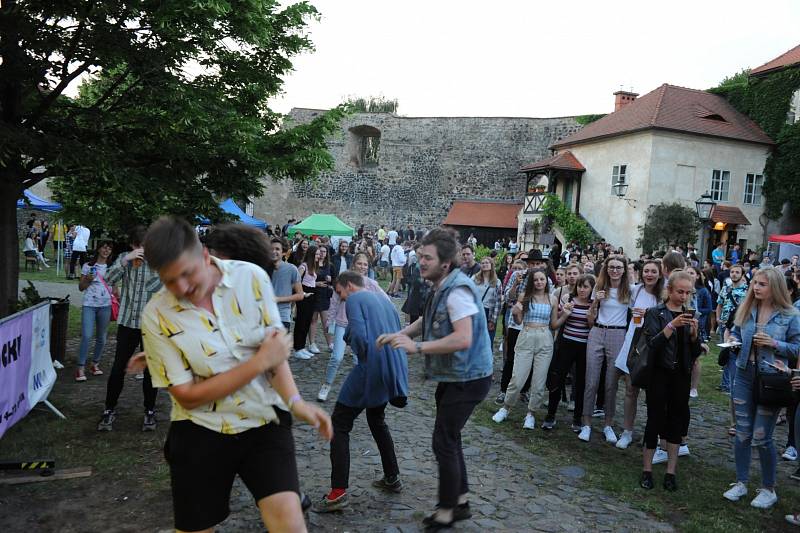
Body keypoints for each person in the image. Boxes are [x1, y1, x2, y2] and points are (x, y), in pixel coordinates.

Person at [139, 217, 331, 533]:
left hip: (263, 420)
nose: (182, 288)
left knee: (290, 524)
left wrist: (296, 402)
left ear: (204, 255)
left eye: (187, 274)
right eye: (170, 281)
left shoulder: (251, 278)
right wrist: (257, 364)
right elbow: (186, 396)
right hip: (200, 430)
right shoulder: (157, 315)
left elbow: (274, 355)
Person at [377, 227, 492, 531]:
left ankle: (446, 510)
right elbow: (426, 319)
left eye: (427, 257)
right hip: (456, 376)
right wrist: (399, 335)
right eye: (419, 256)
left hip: (469, 377)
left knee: (443, 441)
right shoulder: (441, 285)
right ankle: (461, 500)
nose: (421, 262)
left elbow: (463, 338)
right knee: (449, 438)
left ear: (445, 263)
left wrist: (417, 347)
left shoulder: (457, 291)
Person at [315, 271, 408, 512]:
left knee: (339, 424)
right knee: (377, 420)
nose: (341, 297)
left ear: (349, 286)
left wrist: (352, 342)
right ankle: (392, 477)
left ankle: (337, 493)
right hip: (389, 368)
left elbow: (358, 335)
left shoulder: (355, 299)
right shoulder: (384, 301)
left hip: (370, 368)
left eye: (340, 292)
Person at [722, 267, 800, 509]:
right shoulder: (748, 308)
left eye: (762, 284)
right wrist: (734, 340)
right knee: (742, 433)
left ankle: (769, 488)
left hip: (772, 379)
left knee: (761, 436)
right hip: (745, 374)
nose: (756, 287)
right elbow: (734, 331)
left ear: (774, 287)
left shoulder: (790, 314)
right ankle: (741, 482)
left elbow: (797, 348)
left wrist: (774, 343)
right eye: (755, 283)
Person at [639, 270, 703, 491]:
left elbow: (695, 353)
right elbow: (652, 344)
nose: (683, 296)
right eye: (680, 292)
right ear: (669, 290)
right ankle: (647, 469)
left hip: (681, 375)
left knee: (676, 421)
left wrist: (695, 336)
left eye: (688, 292)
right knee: (654, 420)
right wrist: (671, 326)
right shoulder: (656, 313)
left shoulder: (691, 315)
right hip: (658, 373)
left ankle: (670, 472)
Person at [97, 226, 162, 432]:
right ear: (133, 245)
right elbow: (107, 279)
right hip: (127, 322)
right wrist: (125, 261)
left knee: (151, 371)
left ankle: (149, 411)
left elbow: (159, 287)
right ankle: (109, 409)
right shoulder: (125, 258)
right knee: (118, 367)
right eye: (140, 246)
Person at [492, 268, 569, 428]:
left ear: (546, 281)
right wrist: (514, 313)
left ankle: (531, 413)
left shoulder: (552, 299)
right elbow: (519, 321)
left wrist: (565, 315)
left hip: (545, 338)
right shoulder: (525, 297)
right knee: (518, 378)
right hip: (526, 334)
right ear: (531, 282)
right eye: (536, 280)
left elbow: (554, 325)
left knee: (539, 381)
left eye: (542, 279)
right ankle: (505, 408)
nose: (539, 282)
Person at [319, 253, 390, 402]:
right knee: (336, 357)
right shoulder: (344, 279)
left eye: (365, 264)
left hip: (362, 326)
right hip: (342, 322)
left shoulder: (371, 284)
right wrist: (329, 321)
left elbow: (386, 301)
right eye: (360, 264)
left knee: (359, 360)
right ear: (354, 264)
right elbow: (334, 302)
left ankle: (361, 389)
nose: (362, 267)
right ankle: (326, 385)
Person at [578, 255, 632, 443]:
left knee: (611, 383)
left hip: (618, 335)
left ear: (624, 270)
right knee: (591, 380)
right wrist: (595, 302)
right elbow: (590, 319)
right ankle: (586, 424)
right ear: (606, 269)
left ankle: (608, 424)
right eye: (611, 267)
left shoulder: (629, 291)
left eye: (618, 267)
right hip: (597, 332)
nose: (615, 270)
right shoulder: (599, 288)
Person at [614, 260, 663, 449]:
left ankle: (655, 433)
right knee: (630, 389)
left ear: (659, 274)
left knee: (654, 394)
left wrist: (648, 314)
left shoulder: (663, 294)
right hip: (634, 341)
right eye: (646, 271)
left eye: (653, 271)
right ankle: (627, 431)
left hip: (654, 344)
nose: (649, 274)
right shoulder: (636, 290)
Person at [542, 273, 596, 431]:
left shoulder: (594, 303)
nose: (582, 290)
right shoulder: (567, 298)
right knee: (557, 379)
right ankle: (550, 415)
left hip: (585, 347)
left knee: (580, 383)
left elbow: (594, 325)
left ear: (592, 288)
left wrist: (592, 311)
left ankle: (577, 418)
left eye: (586, 287)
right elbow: (556, 319)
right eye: (580, 286)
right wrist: (564, 311)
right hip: (566, 344)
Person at [76, 241, 114, 381]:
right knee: (86, 335)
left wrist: (119, 299)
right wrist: (88, 279)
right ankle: (80, 368)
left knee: (102, 338)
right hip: (89, 305)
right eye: (104, 247)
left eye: (109, 248)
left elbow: (115, 289)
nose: (106, 250)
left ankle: (95, 364)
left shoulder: (111, 268)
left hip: (106, 305)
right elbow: (81, 287)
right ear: (98, 249)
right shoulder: (88, 266)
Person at [717, 264, 749, 393]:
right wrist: (718, 318)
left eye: (737, 272)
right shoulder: (726, 288)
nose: (734, 274)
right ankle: (725, 383)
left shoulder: (747, 290)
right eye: (732, 272)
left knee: (734, 354)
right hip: (724, 323)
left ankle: (732, 383)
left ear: (742, 275)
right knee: (725, 353)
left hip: (738, 325)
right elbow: (719, 304)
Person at [267, 237, 306, 330]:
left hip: (282, 316)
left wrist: (278, 299)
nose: (274, 251)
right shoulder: (262, 268)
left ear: (283, 252)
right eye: (271, 249)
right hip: (264, 316)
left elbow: (300, 295)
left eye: (277, 249)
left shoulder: (291, 269)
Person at [293, 244, 319, 360]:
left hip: (312, 295)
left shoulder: (313, 267)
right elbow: (296, 281)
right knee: (301, 321)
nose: (319, 256)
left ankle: (302, 347)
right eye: (317, 254)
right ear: (312, 255)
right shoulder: (304, 266)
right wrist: (302, 293)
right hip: (304, 294)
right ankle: (297, 348)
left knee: (307, 321)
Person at [308, 246, 333, 354]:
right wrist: (316, 283)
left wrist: (331, 280)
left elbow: (334, 280)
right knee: (313, 319)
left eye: (324, 252)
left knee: (326, 321)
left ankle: (330, 343)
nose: (322, 254)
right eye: (320, 252)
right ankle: (312, 343)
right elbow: (307, 281)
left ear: (327, 253)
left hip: (324, 295)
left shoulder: (329, 266)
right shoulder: (313, 265)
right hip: (314, 294)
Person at [473, 257, 502, 345]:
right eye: (482, 263)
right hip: (476, 311)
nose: (484, 264)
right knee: (475, 339)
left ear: (491, 265)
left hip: (489, 312)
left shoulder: (497, 282)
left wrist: (493, 320)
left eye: (487, 263)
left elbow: (498, 302)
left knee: (488, 340)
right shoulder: (474, 278)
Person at [402, 244, 429, 325]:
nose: (422, 250)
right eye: (420, 249)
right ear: (416, 251)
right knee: (414, 316)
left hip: (424, 294)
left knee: (424, 316)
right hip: (415, 293)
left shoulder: (426, 263)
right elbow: (409, 277)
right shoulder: (414, 262)